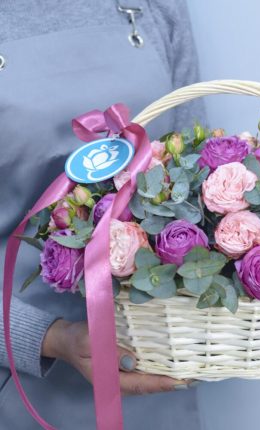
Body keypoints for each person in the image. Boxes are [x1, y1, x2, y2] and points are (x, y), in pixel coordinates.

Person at [0, 1, 207, 429]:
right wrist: (50, 337)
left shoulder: (152, 6)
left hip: (154, 365)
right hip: (19, 377)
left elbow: (195, 175)